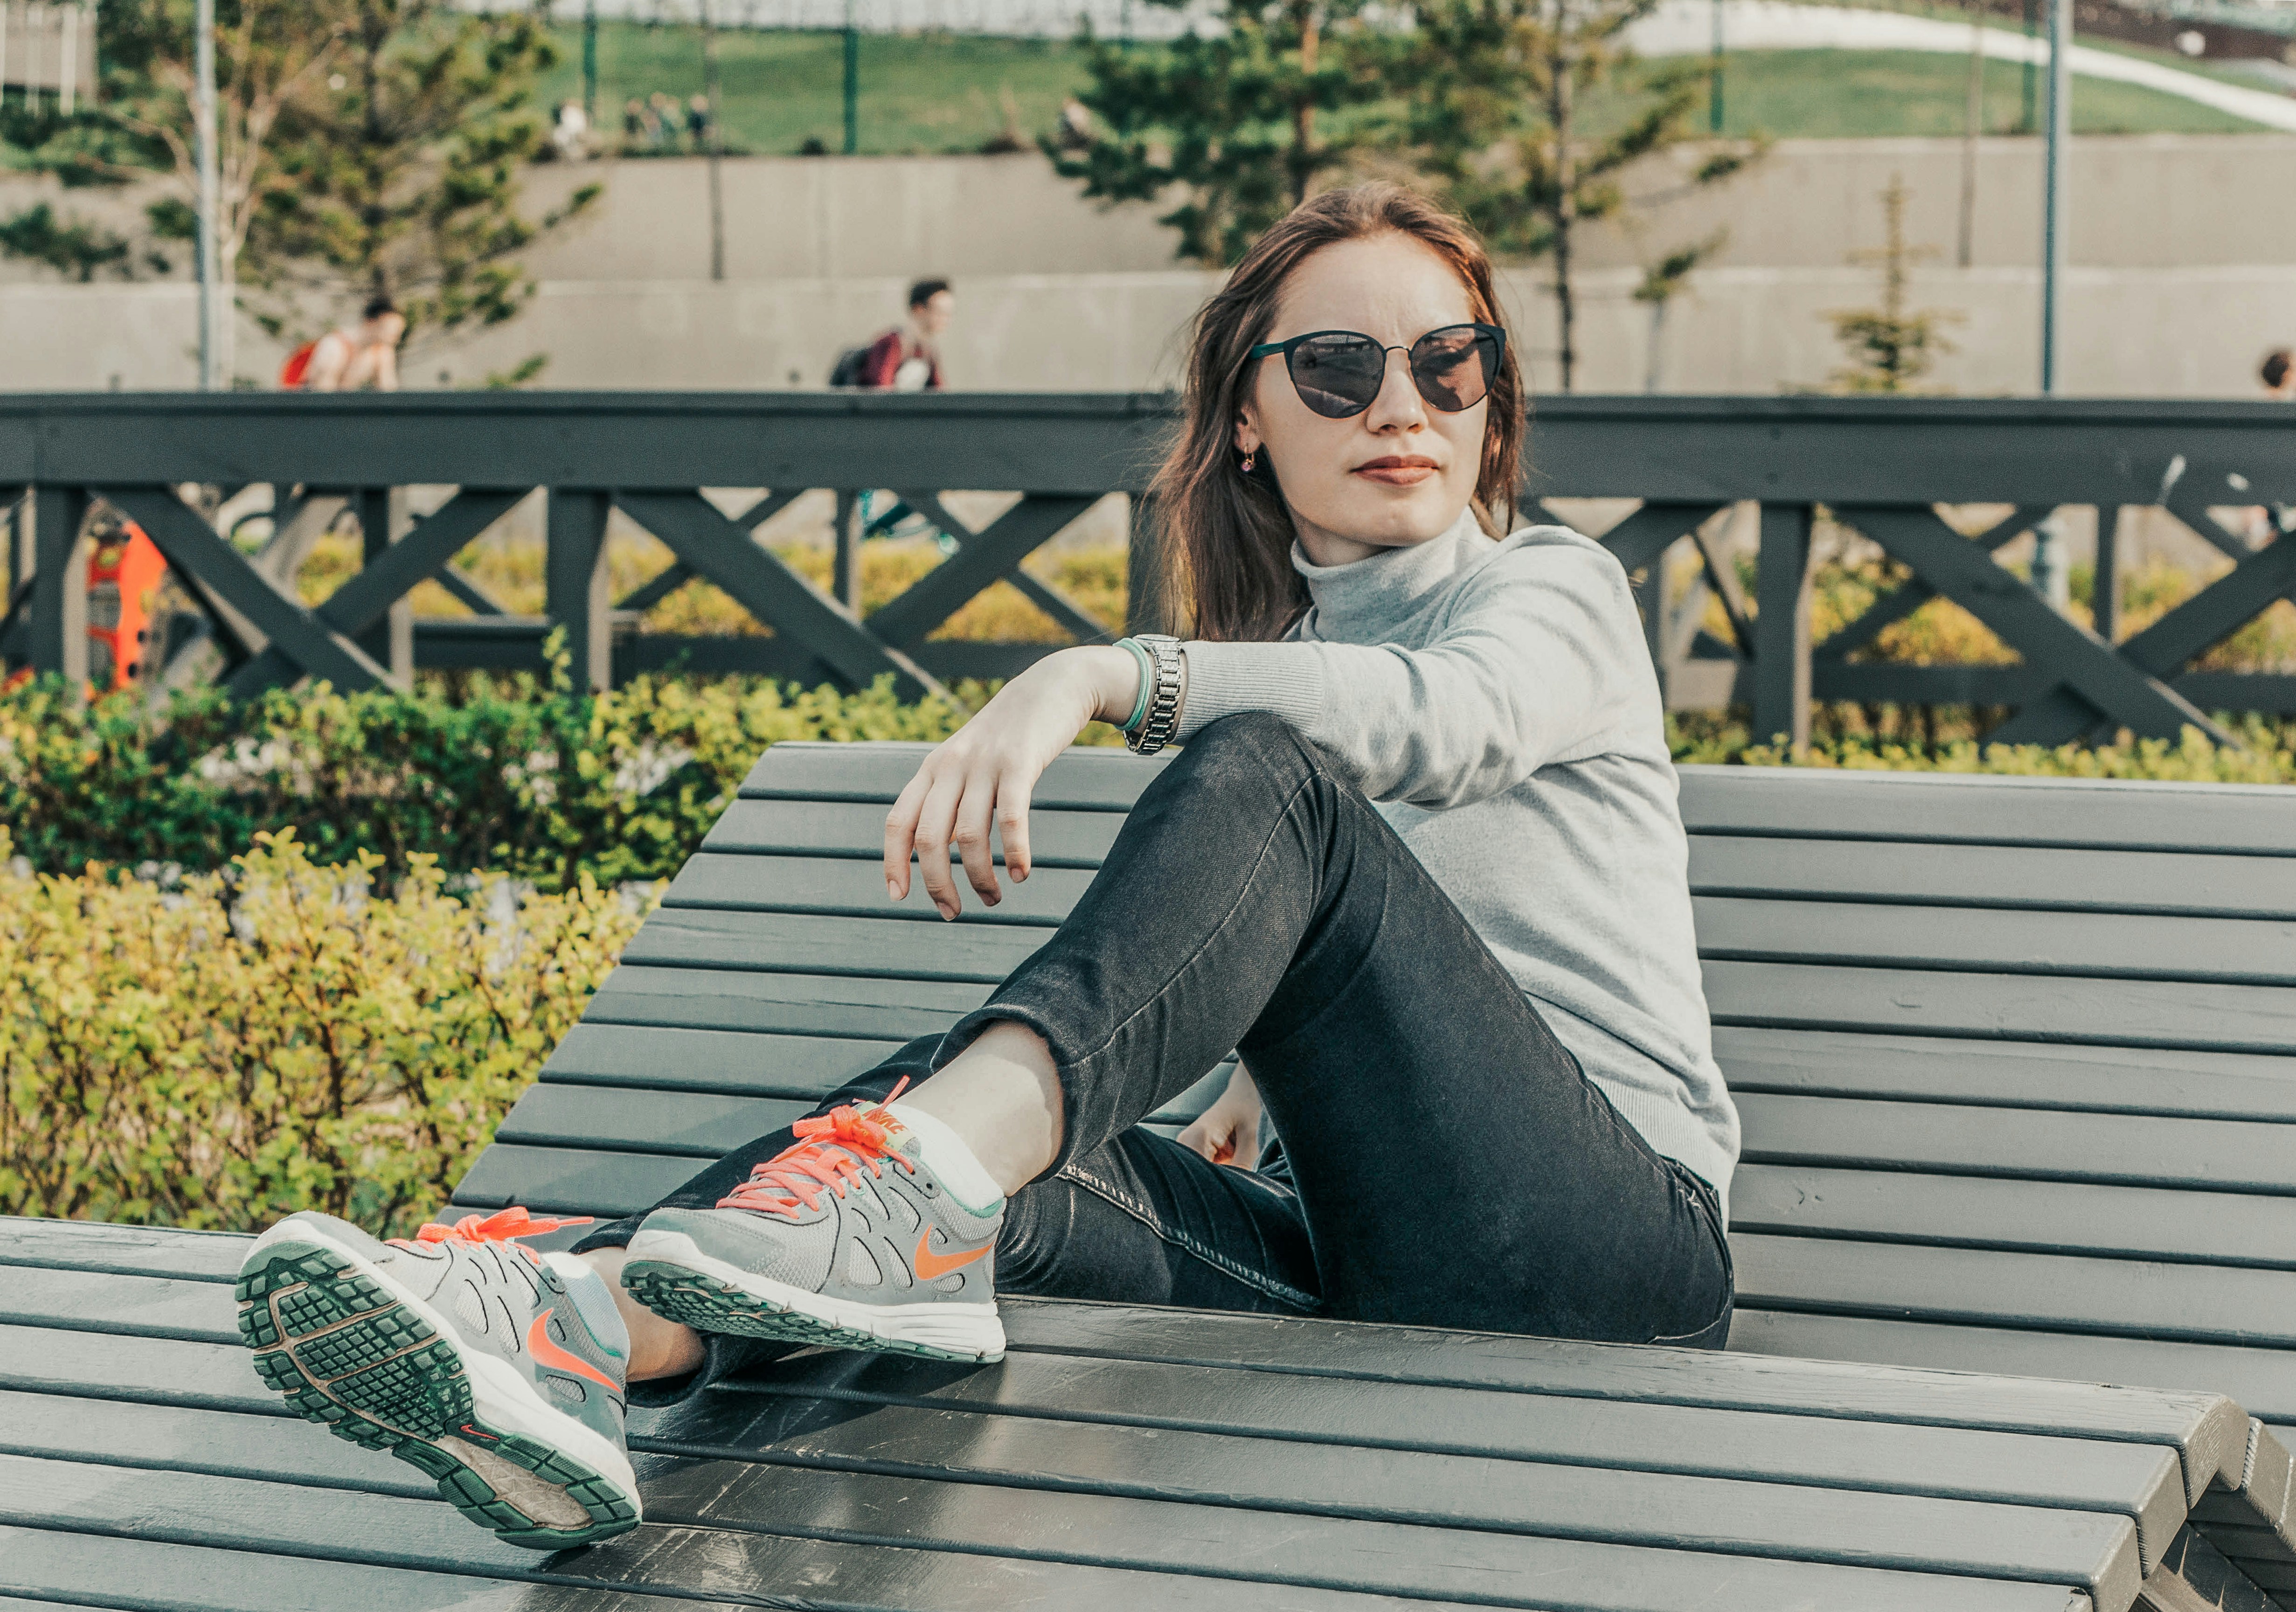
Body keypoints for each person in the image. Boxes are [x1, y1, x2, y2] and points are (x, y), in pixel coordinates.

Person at [229, 183, 1738, 1550]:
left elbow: (1442, 726)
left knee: (1252, 787)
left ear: (1491, 400)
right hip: (1351, 1252)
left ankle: (864, 1197)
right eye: (1341, 365)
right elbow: (1385, 936)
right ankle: (578, 1328)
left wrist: (1097, 675)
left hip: (1610, 1260)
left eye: (1447, 360)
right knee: (962, 1152)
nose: (1399, 400)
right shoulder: (1283, 666)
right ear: (1248, 421)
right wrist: (1255, 1084)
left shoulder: (1556, 588)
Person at [845, 278, 954, 391]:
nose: (946, 319)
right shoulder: (893, 344)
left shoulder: (927, 351)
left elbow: (941, 393)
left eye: (948, 313)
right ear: (919, 310)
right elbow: (881, 391)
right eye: (940, 312)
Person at [293, 297, 405, 392]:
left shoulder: (382, 351)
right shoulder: (335, 346)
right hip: (310, 407)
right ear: (371, 322)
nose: (395, 339)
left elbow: (389, 392)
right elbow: (323, 391)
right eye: (390, 332)